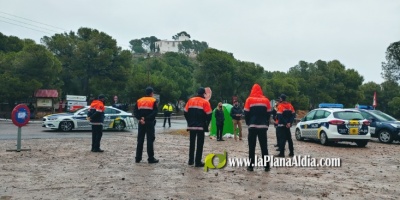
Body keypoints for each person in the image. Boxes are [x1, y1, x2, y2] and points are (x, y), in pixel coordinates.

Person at [244, 84, 271, 172]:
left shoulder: (249, 100)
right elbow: (268, 114)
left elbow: (246, 113)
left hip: (252, 126)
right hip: (263, 127)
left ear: (252, 90)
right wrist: (266, 124)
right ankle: (266, 166)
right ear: (261, 90)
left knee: (252, 147)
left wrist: (249, 123)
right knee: (264, 147)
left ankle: (251, 166)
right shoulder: (266, 100)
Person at [184, 87, 212, 167]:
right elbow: (209, 115)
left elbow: (185, 112)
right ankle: (198, 162)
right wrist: (206, 124)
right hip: (201, 127)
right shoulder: (205, 102)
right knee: (200, 144)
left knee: (192, 143)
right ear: (204, 94)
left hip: (191, 126)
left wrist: (189, 122)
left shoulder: (190, 100)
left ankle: (190, 160)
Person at [134, 86, 159, 164]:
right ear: (151, 93)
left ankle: (138, 158)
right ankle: (150, 158)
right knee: (150, 140)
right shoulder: (154, 100)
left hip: (141, 122)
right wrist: (146, 119)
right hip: (150, 122)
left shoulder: (139, 100)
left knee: (140, 140)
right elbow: (155, 112)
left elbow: (135, 112)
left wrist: (140, 119)